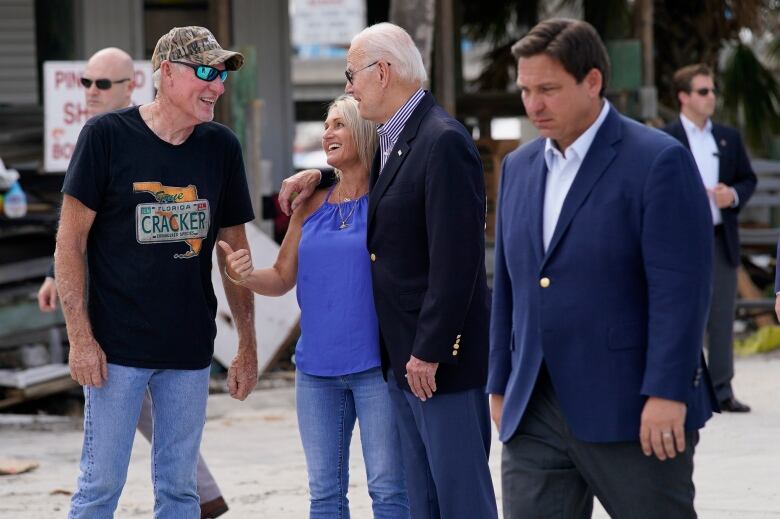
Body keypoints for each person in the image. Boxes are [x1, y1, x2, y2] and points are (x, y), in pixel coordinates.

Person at [487, 19, 718, 518]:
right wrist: (500, 382)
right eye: (526, 90)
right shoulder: (519, 168)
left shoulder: (659, 161)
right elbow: (509, 284)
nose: (533, 104)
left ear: (592, 81)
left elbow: (681, 291)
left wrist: (666, 392)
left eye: (548, 89)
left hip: (634, 409)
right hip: (534, 410)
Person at [279, 22, 497, 519]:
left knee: (461, 502)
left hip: (437, 364)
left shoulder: (442, 141)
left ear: (382, 72)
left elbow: (458, 260)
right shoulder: (395, 141)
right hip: (402, 362)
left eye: (351, 74)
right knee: (422, 502)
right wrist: (319, 173)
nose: (348, 86)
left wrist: (430, 349)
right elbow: (367, 180)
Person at [57, 27, 257, 518]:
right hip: (115, 349)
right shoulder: (105, 137)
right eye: (206, 73)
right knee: (99, 486)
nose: (217, 86)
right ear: (166, 72)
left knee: (180, 491)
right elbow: (69, 244)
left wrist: (247, 346)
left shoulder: (221, 147)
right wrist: (81, 339)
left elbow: (235, 254)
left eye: (223, 75)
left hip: (189, 350)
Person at [221, 94, 409, 519]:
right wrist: (244, 274)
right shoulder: (310, 205)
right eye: (326, 125)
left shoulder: (389, 196)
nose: (327, 133)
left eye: (339, 124)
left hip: (376, 368)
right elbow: (282, 278)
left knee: (389, 491)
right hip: (315, 372)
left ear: (364, 130)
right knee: (324, 496)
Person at [663, 63, 757, 413]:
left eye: (713, 90)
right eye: (703, 91)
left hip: (720, 237)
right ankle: (681, 389)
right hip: (680, 242)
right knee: (680, 314)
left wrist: (730, 195)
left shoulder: (728, 138)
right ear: (684, 97)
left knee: (721, 317)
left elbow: (747, 179)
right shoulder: (667, 137)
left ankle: (722, 389)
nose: (711, 97)